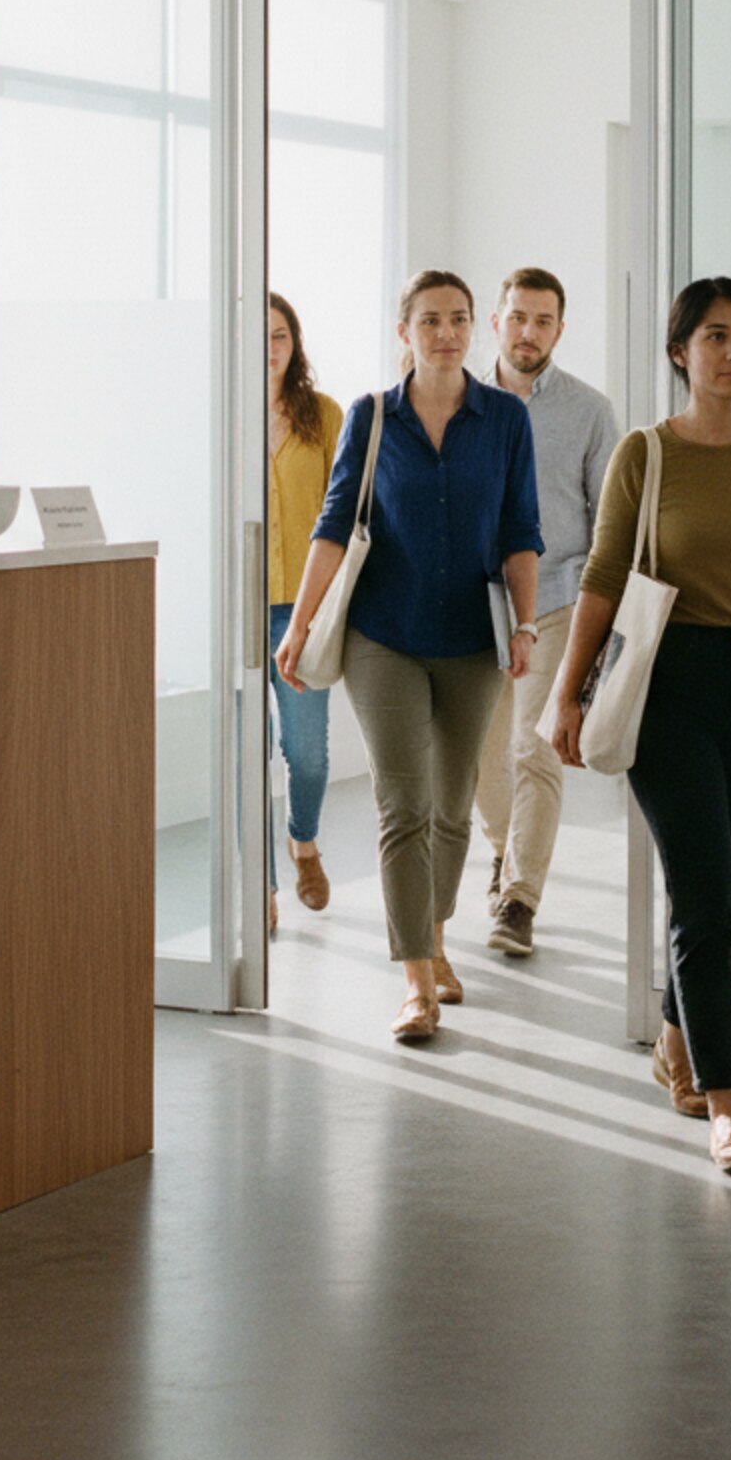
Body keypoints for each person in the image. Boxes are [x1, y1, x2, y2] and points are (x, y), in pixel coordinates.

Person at [550, 278, 731, 1172]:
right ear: (680, 351)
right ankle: (727, 1102)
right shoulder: (645, 453)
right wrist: (566, 693)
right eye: (716, 336)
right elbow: (603, 575)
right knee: (704, 885)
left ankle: (677, 1037)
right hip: (668, 682)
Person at [276, 271, 543, 1043]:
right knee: (403, 806)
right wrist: (301, 622)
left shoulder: (504, 421)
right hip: (381, 636)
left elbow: (521, 529)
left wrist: (525, 627)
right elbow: (334, 525)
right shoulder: (371, 416)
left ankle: (433, 931)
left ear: (475, 328)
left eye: (459, 319)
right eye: (430, 320)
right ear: (405, 332)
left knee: (452, 808)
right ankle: (418, 982)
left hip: (471, 640)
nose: (447, 333)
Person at [473, 268, 619, 958]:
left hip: (558, 599)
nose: (528, 331)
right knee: (477, 757)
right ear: (496, 321)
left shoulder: (590, 412)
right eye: (517, 317)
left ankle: (519, 900)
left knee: (533, 750)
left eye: (543, 320)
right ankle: (505, 855)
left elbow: (611, 529)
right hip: (475, 604)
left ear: (560, 330)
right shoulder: (459, 402)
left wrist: (601, 633)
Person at [266, 293, 345, 937]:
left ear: (295, 344)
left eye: (280, 335)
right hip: (237, 608)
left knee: (308, 753)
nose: (269, 348)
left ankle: (304, 843)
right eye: (258, 336)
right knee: (245, 754)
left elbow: (343, 516)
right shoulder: (220, 414)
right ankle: (259, 884)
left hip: (304, 611)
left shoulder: (324, 417)